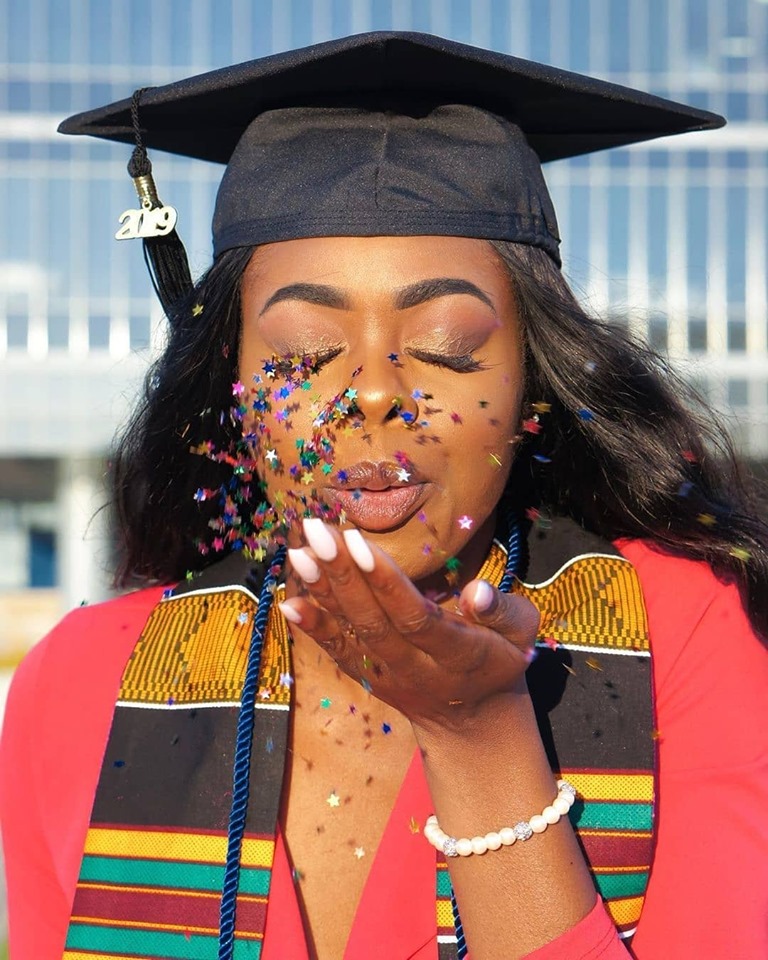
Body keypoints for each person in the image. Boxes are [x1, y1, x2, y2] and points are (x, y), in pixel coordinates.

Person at [2, 31, 767, 960]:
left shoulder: (689, 631)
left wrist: (482, 740)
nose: (373, 391)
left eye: (447, 344)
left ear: (533, 379)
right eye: (302, 355)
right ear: (230, 389)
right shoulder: (83, 680)